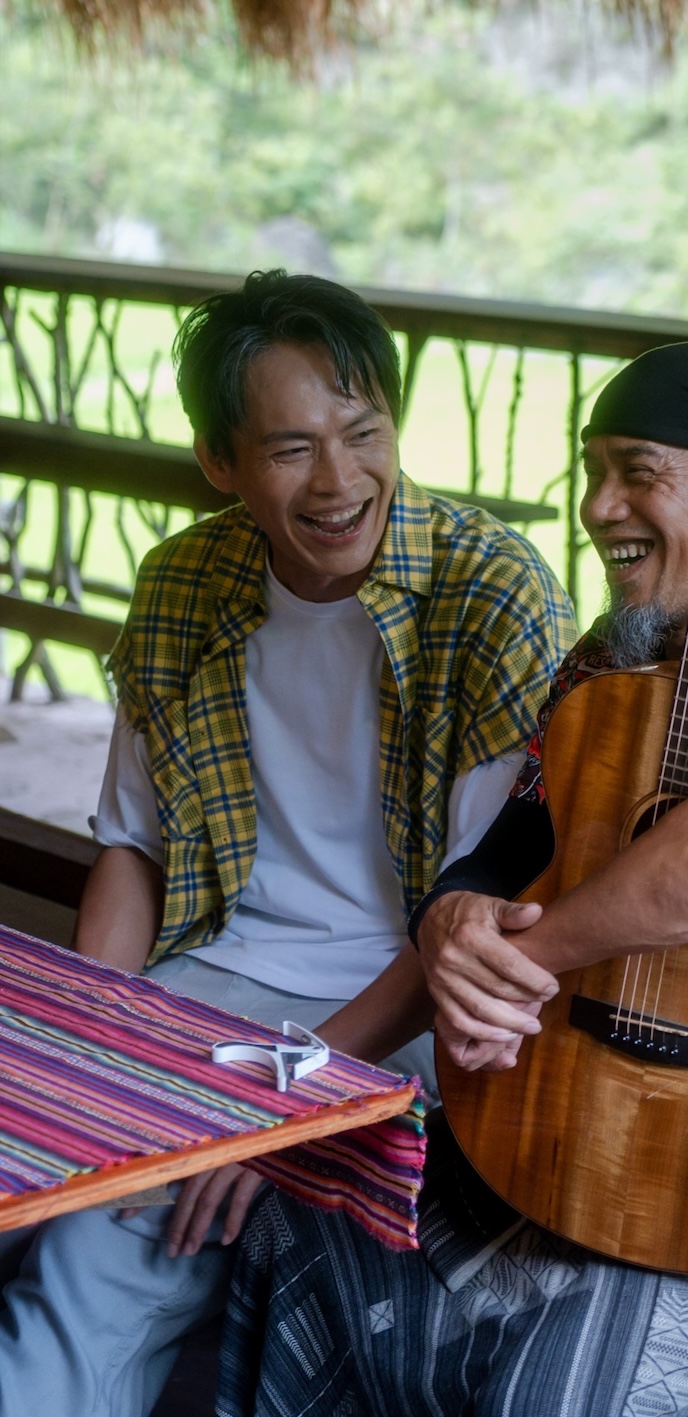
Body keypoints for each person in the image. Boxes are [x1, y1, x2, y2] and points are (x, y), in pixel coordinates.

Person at [217, 341, 688, 1417]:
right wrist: (315, 1077)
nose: (598, 506)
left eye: (638, 470)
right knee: (291, 1219)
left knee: (551, 1395)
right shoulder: (608, 658)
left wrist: (516, 967)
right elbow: (505, 852)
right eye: (593, 470)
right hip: (556, 1130)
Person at [0, 271, 575, 1416]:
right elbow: (135, 848)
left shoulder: (491, 595)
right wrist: (82, 1047)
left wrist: (281, 1118)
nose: (339, 481)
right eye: (293, 448)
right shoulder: (185, 583)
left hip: (403, 1014)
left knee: (104, 1246)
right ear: (223, 462)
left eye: (364, 434)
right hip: (210, 983)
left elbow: (470, 933)